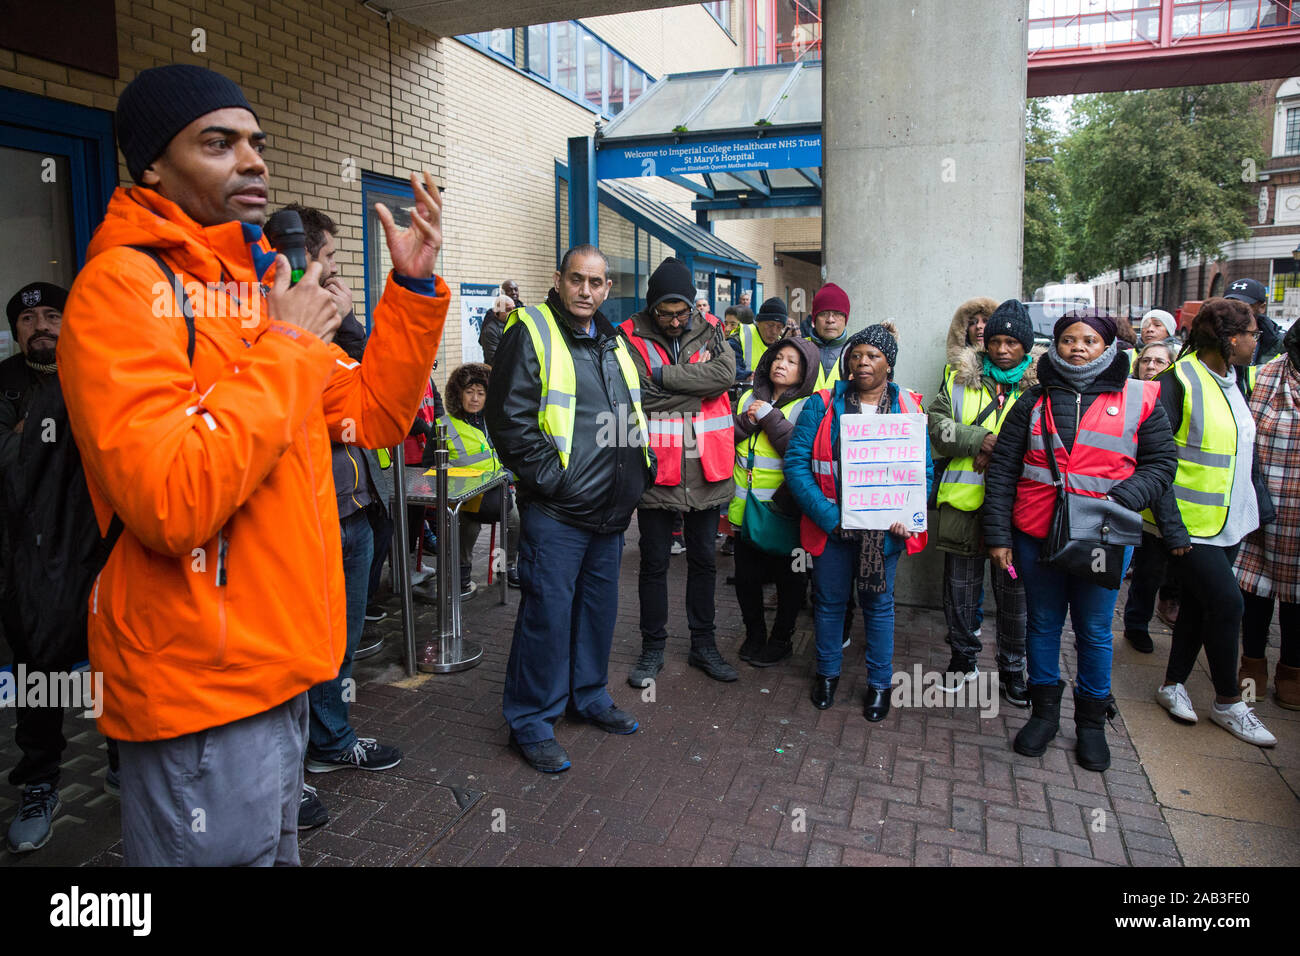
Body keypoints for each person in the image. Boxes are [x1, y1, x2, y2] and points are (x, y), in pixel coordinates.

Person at [56, 65, 450, 865]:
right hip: (200, 685)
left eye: (257, 144)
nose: (254, 161)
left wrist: (409, 289)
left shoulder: (258, 291)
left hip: (280, 671)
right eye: (219, 142)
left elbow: (374, 415)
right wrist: (292, 344)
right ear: (153, 166)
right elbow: (171, 502)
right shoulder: (121, 292)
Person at [983, 309, 1177, 773]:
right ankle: (1044, 713)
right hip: (1036, 535)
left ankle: (1091, 721)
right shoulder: (1032, 401)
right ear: (1055, 346)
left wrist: (1124, 498)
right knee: (1043, 624)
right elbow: (1005, 470)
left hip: (1104, 538)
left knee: (1093, 631)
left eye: (1089, 340)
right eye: (1068, 340)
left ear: (1107, 348)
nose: (1077, 347)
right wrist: (997, 534)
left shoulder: (1139, 398)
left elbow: (1162, 463)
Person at [486, 244, 654, 774]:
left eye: (596, 282)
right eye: (577, 280)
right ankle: (532, 721)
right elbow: (508, 419)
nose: (586, 290)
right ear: (559, 280)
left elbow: (633, 409)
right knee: (547, 617)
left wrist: (639, 470)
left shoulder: (613, 339)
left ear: (607, 288)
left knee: (598, 612)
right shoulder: (531, 329)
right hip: (559, 511)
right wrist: (555, 482)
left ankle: (588, 695)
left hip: (610, 511)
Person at [272, 204, 406, 832]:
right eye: (328, 268)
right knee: (295, 652)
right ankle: (283, 774)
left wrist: (348, 316)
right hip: (306, 521)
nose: (334, 283)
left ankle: (330, 739)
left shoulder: (329, 329)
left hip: (358, 511)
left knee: (338, 647)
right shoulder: (275, 330)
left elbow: (376, 391)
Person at [0, 281, 120, 853]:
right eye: (29, 320)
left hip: (102, 552)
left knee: (117, 664)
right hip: (27, 561)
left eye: (53, 315)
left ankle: (125, 759)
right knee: (38, 679)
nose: (41, 326)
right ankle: (40, 783)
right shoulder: (4, 384)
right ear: (16, 330)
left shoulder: (101, 374)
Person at [786, 321, 933, 720]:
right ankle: (828, 674)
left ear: (890, 364)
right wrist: (830, 517)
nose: (862, 362)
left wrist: (908, 516)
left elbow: (923, 472)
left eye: (873, 355)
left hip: (883, 536)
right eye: (856, 354)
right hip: (832, 528)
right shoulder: (821, 404)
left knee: (879, 606)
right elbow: (797, 464)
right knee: (830, 603)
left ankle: (880, 684)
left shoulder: (909, 408)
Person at [1153, 298, 1278, 746]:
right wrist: (1172, 528)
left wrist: (1257, 509)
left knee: (1200, 605)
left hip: (1226, 523)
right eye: (1252, 334)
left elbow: (1241, 455)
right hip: (1188, 527)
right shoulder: (1178, 380)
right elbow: (1156, 460)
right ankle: (1229, 702)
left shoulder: (1233, 379)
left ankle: (1172, 685)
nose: (1257, 341)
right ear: (1229, 339)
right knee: (1229, 606)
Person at [622, 257, 738, 688]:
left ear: (692, 306)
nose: (674, 321)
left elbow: (726, 375)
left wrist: (665, 376)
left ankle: (702, 645)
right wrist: (698, 391)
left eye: (681, 312)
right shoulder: (627, 337)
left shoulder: (710, 327)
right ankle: (652, 647)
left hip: (708, 467)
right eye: (665, 313)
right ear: (651, 308)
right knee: (653, 563)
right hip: (657, 468)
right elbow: (636, 396)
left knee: (704, 560)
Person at [929, 299, 1040, 707]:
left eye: (1012, 341)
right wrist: (979, 440)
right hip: (962, 502)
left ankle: (1013, 669)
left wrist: (1000, 450)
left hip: (1015, 510)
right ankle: (962, 660)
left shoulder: (1041, 388)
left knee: (1013, 593)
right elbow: (938, 428)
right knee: (959, 591)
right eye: (996, 340)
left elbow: (1046, 443)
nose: (1002, 349)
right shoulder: (958, 378)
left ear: (1025, 347)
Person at [729, 336, 820, 666]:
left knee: (791, 577)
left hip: (787, 512)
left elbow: (801, 454)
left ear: (805, 371)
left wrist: (769, 417)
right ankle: (754, 634)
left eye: (792, 361)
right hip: (745, 509)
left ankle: (781, 638)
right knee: (746, 577)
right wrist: (748, 421)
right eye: (778, 357)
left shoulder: (809, 406)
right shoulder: (746, 399)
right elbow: (724, 438)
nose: (781, 364)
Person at [1233, 320, 1300, 710]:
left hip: (1299, 516)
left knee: (1297, 599)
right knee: (1254, 590)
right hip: (1261, 502)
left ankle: (1292, 669)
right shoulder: (1263, 376)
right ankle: (1252, 663)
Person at [1121, 336, 1185, 653]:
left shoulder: (1174, 397)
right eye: (1146, 360)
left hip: (1168, 499)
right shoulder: (1127, 395)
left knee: (1163, 569)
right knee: (1145, 571)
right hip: (1135, 502)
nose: (1150, 366)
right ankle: (1135, 624)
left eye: (1159, 362)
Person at [441, 362, 520, 597]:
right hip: (464, 498)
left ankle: (505, 567)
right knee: (468, 525)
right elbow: (431, 469)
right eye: (469, 392)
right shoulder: (444, 426)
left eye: (481, 393)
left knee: (515, 520)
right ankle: (462, 574)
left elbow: (508, 456)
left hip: (497, 492)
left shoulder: (495, 423)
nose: (475, 398)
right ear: (458, 395)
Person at [805, 283, 853, 391]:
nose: (830, 320)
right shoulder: (797, 350)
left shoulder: (856, 353)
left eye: (837, 313)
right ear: (814, 319)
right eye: (823, 314)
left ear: (846, 319)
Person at [1225, 277, 1284, 365]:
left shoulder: (1281, 345)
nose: (1234, 310)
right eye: (1229, 304)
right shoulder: (1213, 338)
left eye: (1244, 305)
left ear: (1262, 307)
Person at [478, 293, 516, 366]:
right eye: (508, 309)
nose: (512, 312)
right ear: (496, 313)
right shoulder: (490, 331)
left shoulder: (514, 325)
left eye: (513, 308)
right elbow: (495, 359)